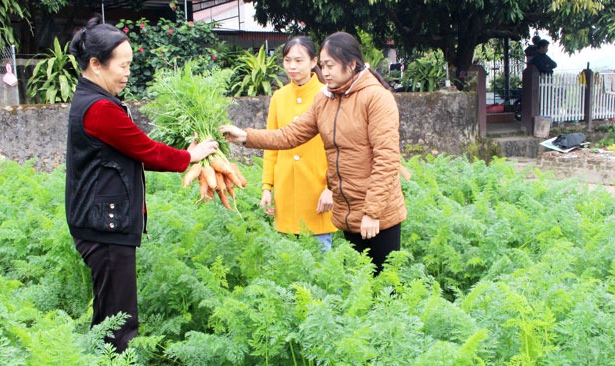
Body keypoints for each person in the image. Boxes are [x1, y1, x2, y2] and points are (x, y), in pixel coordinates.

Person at [65, 18, 218, 352]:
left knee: (108, 316)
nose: (127, 73)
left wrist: (186, 155)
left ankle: (98, 358)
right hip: (104, 226)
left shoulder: (92, 99)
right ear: (95, 64)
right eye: (123, 65)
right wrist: (190, 156)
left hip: (99, 223)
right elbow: (145, 149)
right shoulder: (100, 108)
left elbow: (136, 152)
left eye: (129, 65)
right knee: (121, 321)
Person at [220, 32, 407, 275]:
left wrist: (372, 213)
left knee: (386, 286)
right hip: (348, 212)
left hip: (380, 213)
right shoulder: (325, 100)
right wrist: (245, 136)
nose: (325, 72)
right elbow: (289, 135)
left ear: (351, 64)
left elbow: (386, 159)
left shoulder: (376, 98)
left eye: (330, 65)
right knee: (360, 286)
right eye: (323, 65)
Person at [261, 36, 337, 251]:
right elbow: (271, 144)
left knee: (321, 268)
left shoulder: (327, 95)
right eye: (287, 60)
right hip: (285, 191)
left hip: (317, 192)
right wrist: (267, 187)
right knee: (288, 269)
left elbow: (338, 147)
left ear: (314, 62)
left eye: (299, 60)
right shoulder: (279, 97)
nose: (292, 66)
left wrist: (331, 188)